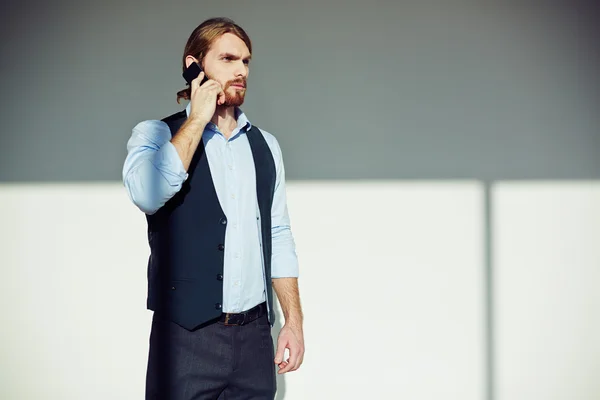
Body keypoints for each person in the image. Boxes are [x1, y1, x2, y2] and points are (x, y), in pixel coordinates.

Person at [122, 17, 305, 400]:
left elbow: (277, 233)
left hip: (254, 340)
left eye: (246, 61)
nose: (241, 70)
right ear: (195, 65)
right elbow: (146, 194)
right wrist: (197, 118)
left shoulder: (265, 146)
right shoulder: (156, 134)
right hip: (185, 341)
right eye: (228, 59)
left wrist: (293, 321)